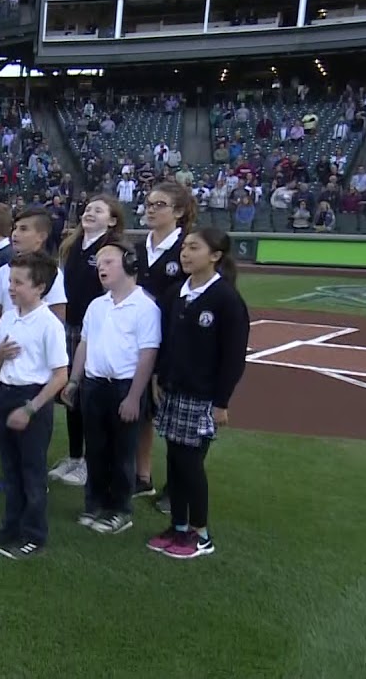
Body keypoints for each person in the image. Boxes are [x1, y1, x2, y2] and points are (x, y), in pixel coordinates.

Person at [147, 228, 249, 560]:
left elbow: (233, 357)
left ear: (215, 256)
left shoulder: (226, 300)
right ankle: (178, 527)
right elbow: (166, 340)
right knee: (174, 461)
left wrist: (221, 402)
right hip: (173, 390)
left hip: (201, 396)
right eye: (184, 247)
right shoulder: (177, 293)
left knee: (191, 464)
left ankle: (201, 534)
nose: (185, 253)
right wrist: (159, 374)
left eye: (194, 248)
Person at [61, 242, 160, 536]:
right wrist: (74, 380)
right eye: (99, 262)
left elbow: (147, 355)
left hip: (124, 387)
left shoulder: (145, 307)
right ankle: (94, 503)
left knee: (122, 453)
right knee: (96, 450)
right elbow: (85, 345)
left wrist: (133, 397)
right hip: (93, 385)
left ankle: (119, 509)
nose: (101, 267)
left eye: (109, 261)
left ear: (129, 265)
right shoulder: (97, 305)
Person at [0, 252, 70, 560]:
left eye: (18, 283)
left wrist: (31, 408)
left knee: (32, 472)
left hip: (33, 398)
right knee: (10, 468)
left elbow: (61, 375)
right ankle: (11, 526)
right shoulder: (9, 316)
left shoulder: (49, 324)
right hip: (7, 393)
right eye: (10, 281)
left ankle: (34, 533)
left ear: (39, 287)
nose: (11, 288)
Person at [52, 196, 125, 487]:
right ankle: (74, 456)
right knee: (71, 394)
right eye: (87, 209)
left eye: (98, 210)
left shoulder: (113, 249)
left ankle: (92, 463)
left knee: (90, 395)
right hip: (70, 326)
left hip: (96, 329)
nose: (89, 213)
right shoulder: (72, 246)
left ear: (112, 220)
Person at [135, 181, 196, 509]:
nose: (151, 208)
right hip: (139, 342)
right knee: (142, 412)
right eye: (149, 203)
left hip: (173, 344)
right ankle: (142, 476)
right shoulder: (138, 246)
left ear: (178, 211)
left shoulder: (186, 248)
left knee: (174, 419)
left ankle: (177, 489)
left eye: (159, 204)